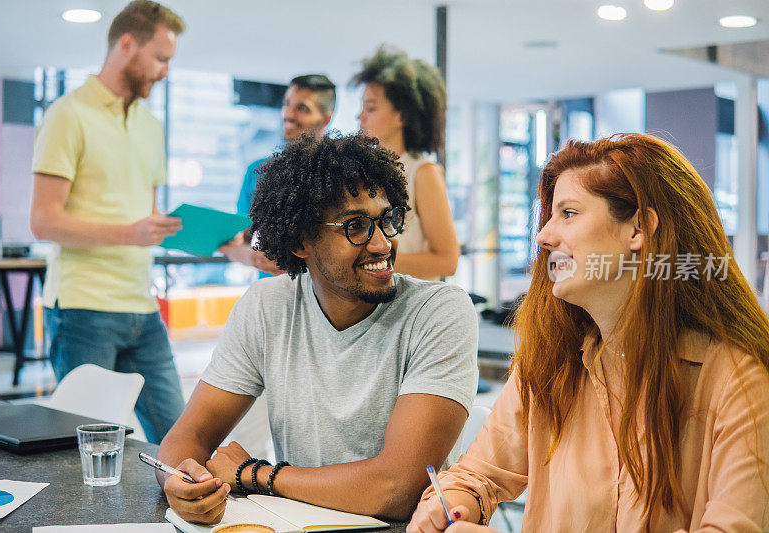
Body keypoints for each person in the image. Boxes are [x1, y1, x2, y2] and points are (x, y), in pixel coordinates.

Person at [408, 133, 769, 532]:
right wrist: (455, 504)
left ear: (639, 228)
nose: (544, 236)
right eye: (549, 216)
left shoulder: (738, 380)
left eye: (569, 213)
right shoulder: (552, 360)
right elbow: (477, 474)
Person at [157, 133, 478, 524]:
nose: (382, 245)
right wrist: (179, 481)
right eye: (355, 226)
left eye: (387, 220)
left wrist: (254, 474)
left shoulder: (439, 311)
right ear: (300, 242)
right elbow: (187, 437)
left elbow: (398, 489)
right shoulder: (266, 307)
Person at [29, 0, 186, 444]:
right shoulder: (67, 114)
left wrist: (218, 239)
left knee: (180, 439)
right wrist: (129, 233)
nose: (165, 72)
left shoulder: (151, 126)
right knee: (82, 450)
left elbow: (146, 215)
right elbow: (43, 222)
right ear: (126, 45)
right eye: (160, 58)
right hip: (83, 309)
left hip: (141, 307)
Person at [351, 46, 460, 281]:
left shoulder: (423, 172)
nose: (360, 116)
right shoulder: (362, 171)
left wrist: (367, 259)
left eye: (371, 107)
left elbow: (447, 261)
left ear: (402, 116)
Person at [219, 74, 337, 276]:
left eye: (302, 108)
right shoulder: (257, 171)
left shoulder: (339, 175)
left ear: (325, 118)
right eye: (287, 104)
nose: (288, 114)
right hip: (271, 298)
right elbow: (243, 238)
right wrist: (252, 256)